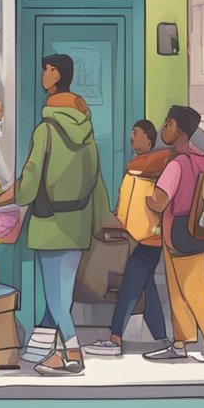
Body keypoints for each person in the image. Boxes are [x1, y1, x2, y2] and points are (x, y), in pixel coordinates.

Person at [0, 54, 109, 376]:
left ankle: (73, 355)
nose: (43, 75)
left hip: (51, 223)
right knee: (62, 292)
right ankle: (60, 353)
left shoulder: (46, 130)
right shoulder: (87, 130)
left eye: (47, 70)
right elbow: (96, 180)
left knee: (55, 294)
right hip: (78, 221)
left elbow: (27, 185)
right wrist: (99, 219)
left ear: (57, 75)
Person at [145, 105, 204, 363]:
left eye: (169, 123)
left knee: (193, 290)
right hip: (202, 229)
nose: (164, 127)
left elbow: (159, 201)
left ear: (181, 131)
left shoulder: (177, 162)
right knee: (179, 289)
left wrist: (146, 200)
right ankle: (180, 342)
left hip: (179, 232)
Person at [85, 120, 171, 357]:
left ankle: (115, 339)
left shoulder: (153, 169)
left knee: (130, 288)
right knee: (146, 287)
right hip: (136, 237)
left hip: (149, 239)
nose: (132, 138)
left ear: (149, 139)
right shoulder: (135, 168)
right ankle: (162, 338)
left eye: (136, 134)